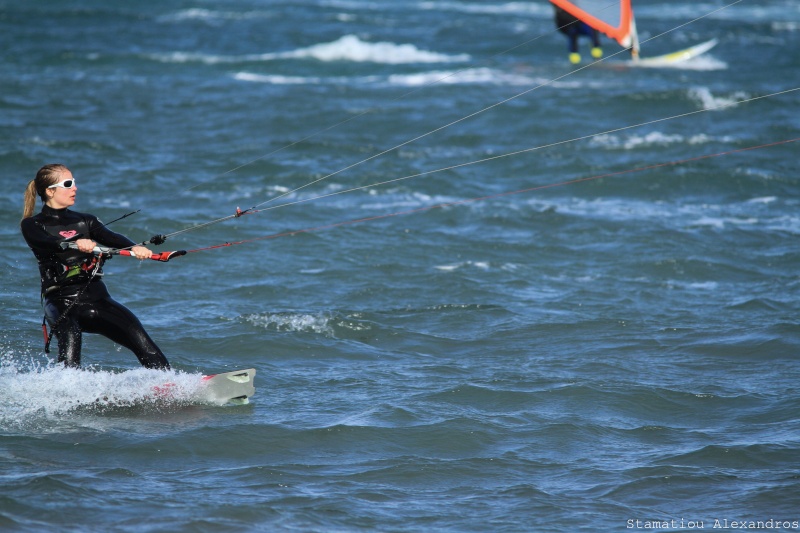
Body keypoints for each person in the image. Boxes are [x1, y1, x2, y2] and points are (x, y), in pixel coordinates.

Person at [20, 164, 170, 370]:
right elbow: (45, 242)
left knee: (146, 345)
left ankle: (169, 387)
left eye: (74, 182)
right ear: (50, 191)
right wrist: (75, 243)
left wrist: (136, 247)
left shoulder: (85, 220)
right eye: (68, 184)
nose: (75, 188)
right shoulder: (32, 225)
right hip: (61, 303)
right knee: (70, 355)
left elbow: (113, 238)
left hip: (98, 300)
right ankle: (67, 392)